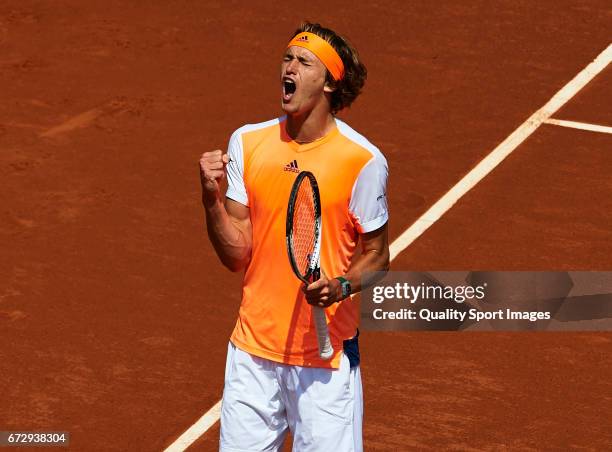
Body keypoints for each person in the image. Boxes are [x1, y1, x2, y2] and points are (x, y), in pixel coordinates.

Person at [199, 21, 390, 452]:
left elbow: (378, 255)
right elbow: (235, 255)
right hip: (252, 354)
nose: (290, 67)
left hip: (325, 362)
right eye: (288, 58)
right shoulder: (247, 143)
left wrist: (339, 286)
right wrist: (210, 201)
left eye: (305, 61)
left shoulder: (363, 161)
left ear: (329, 83)